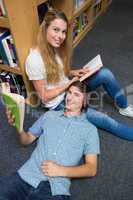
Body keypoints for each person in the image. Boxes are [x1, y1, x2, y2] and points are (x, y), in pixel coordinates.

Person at [25, 9, 133, 140]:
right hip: (59, 103)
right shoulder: (34, 60)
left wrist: (74, 72)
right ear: (45, 29)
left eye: (63, 32)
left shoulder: (53, 47)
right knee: (106, 120)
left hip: (71, 87)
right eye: (56, 30)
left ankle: (124, 107)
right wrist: (69, 84)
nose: (60, 36)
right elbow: (45, 97)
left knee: (105, 74)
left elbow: (56, 72)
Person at [0, 81, 100, 200]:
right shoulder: (49, 116)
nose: (70, 97)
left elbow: (91, 169)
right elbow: (26, 140)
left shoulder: (90, 130)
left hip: (53, 190)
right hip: (24, 177)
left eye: (76, 94)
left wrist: (61, 170)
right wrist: (18, 127)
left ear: (84, 102)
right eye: (69, 92)